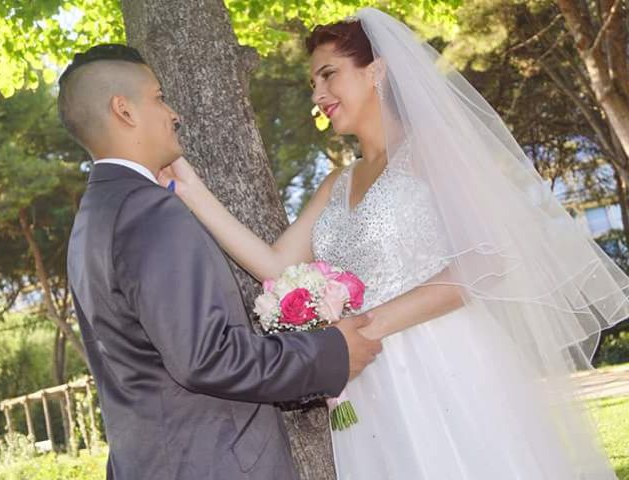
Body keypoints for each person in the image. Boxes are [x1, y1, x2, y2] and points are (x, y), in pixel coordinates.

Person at [160, 8, 629, 479]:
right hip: (366, 381)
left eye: (328, 75)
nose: (318, 95)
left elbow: (485, 262)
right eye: (312, 85)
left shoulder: (430, 151)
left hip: (442, 361)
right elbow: (274, 262)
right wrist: (189, 189)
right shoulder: (335, 184)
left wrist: (366, 326)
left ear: (377, 70)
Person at [61, 43, 382, 480]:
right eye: (158, 97)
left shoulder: (90, 220)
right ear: (124, 110)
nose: (172, 113)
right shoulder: (147, 209)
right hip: (214, 462)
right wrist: (331, 353)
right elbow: (206, 357)